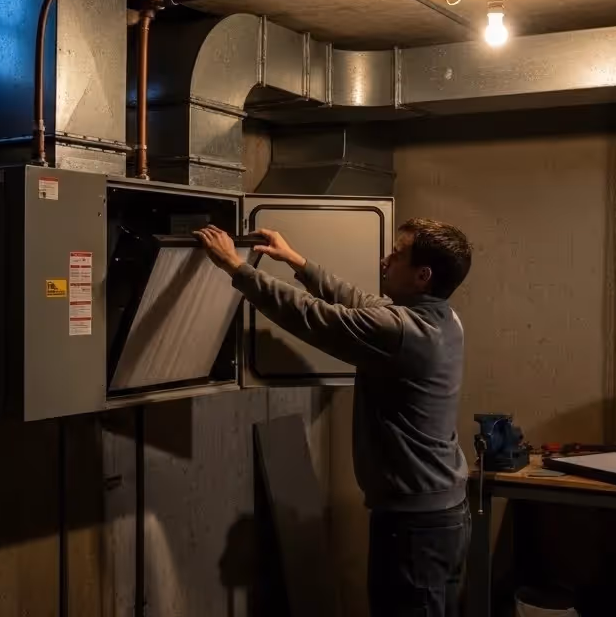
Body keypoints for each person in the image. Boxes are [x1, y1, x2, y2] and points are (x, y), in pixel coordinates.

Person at [194, 219, 473, 617]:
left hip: (415, 526)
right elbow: (358, 302)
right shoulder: (444, 319)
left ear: (422, 276)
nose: (385, 259)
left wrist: (237, 269)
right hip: (442, 516)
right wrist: (297, 262)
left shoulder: (403, 333)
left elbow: (313, 316)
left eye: (398, 254)